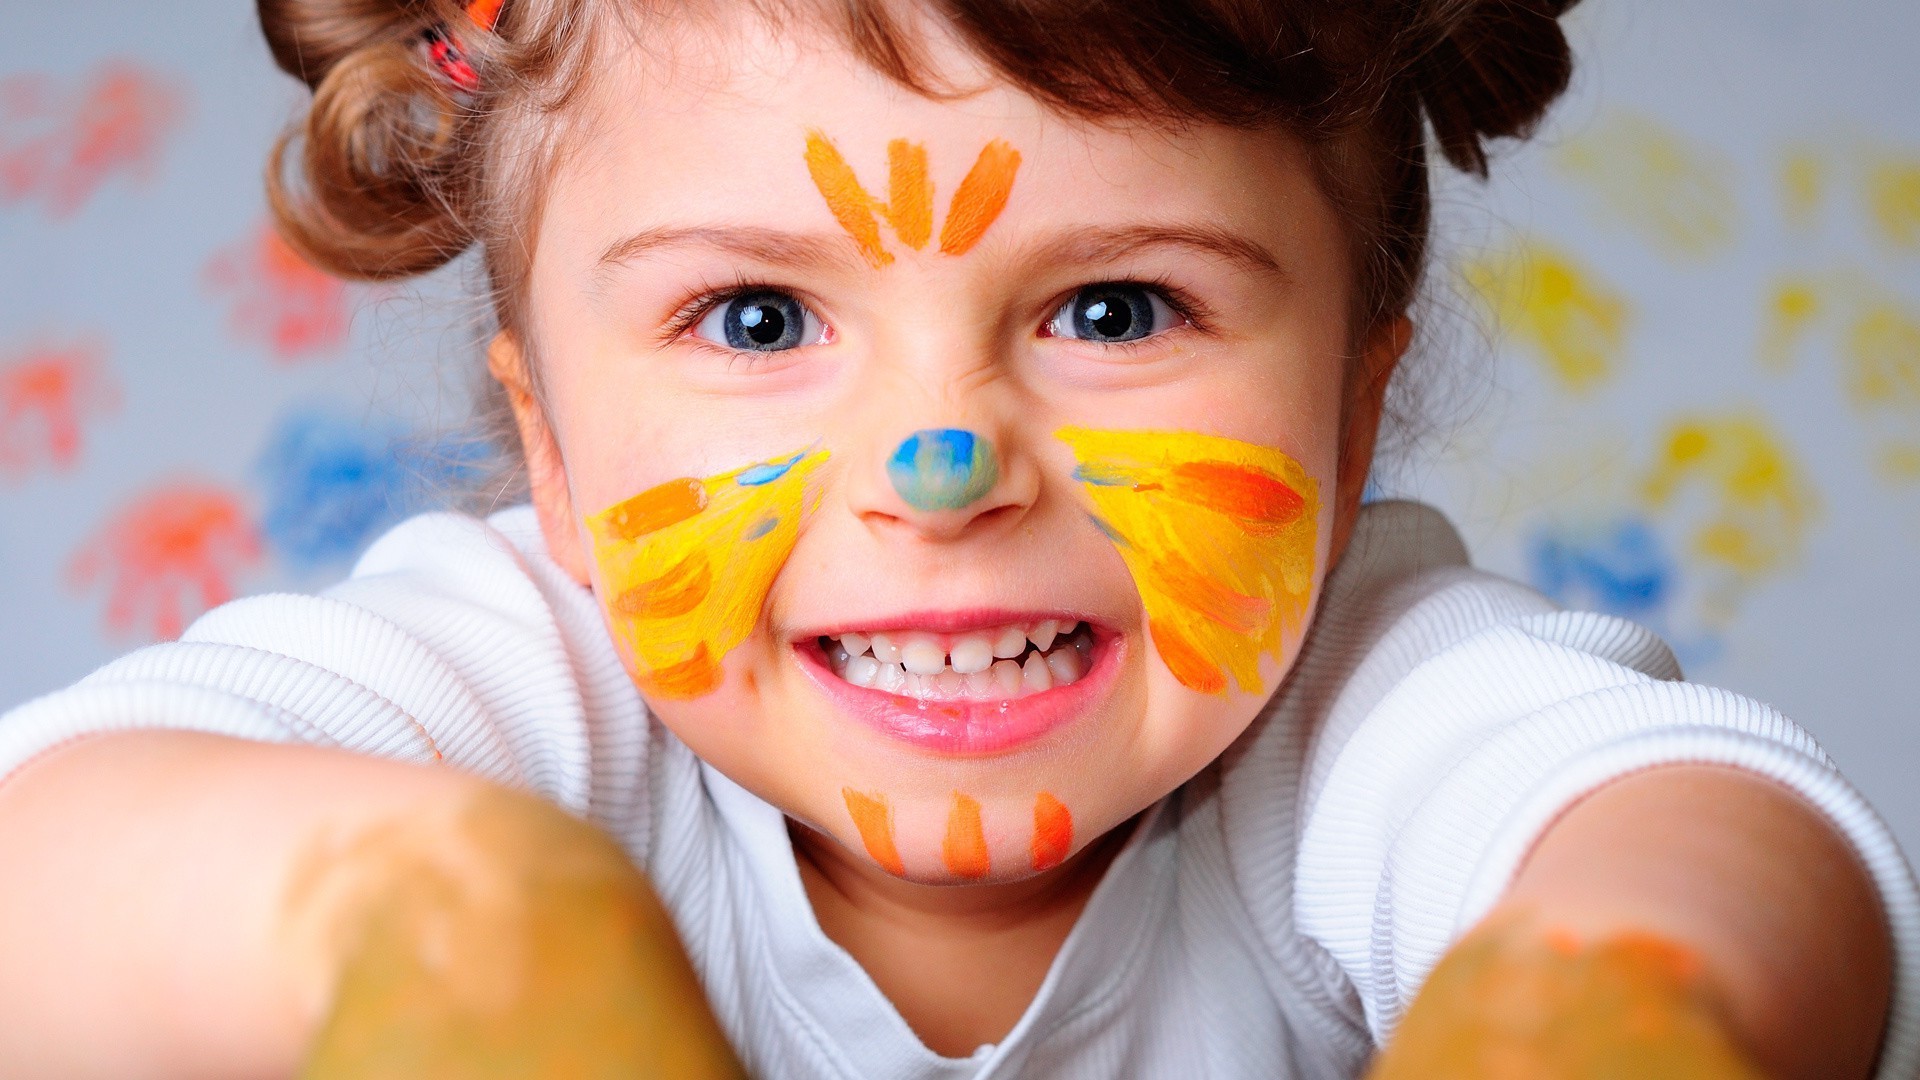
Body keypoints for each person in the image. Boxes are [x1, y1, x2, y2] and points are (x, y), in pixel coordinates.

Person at [0, 0, 1910, 1076]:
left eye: (1117, 310)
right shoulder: (532, 699)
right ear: (555, 456)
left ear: (1345, 414)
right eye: (755, 320)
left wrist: (1607, 991)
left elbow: (1683, 821)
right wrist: (454, 921)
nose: (939, 468)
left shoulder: (1358, 714)